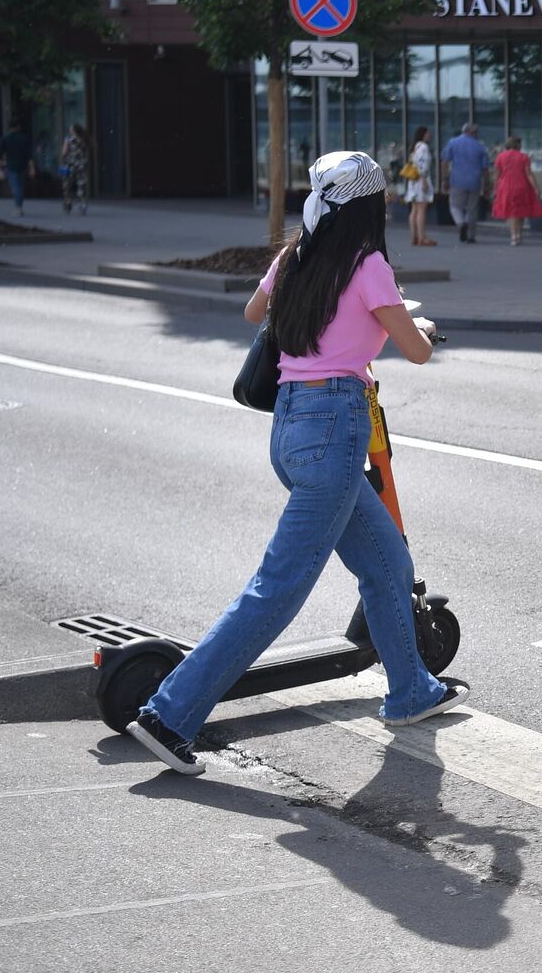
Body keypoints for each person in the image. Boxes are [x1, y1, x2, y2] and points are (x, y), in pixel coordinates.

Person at [124, 151, 465, 775]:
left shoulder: (297, 256)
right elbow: (415, 350)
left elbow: (257, 315)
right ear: (370, 207)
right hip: (334, 427)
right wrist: (416, 325)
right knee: (277, 589)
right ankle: (167, 713)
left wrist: (330, 318)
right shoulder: (369, 266)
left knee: (387, 559)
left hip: (289, 427)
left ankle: (411, 689)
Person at [491, 135, 542, 246]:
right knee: (520, 211)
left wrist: (495, 188)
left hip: (505, 186)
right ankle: (519, 234)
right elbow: (529, 174)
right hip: (521, 186)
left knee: (511, 212)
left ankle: (513, 236)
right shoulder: (523, 157)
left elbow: (497, 174)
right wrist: (536, 188)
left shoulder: (500, 157)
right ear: (517, 145)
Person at [442, 122, 490, 243]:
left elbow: (445, 162)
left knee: (454, 206)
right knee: (472, 209)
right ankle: (471, 235)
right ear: (473, 133)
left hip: (457, 181)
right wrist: (487, 185)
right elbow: (485, 169)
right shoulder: (480, 146)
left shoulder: (453, 143)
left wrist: (445, 179)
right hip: (475, 181)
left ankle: (461, 223)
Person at [404, 126, 435, 246]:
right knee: (422, 208)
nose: (429, 135)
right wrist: (424, 180)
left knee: (414, 209)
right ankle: (422, 237)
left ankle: (414, 236)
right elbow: (422, 165)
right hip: (421, 179)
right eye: (428, 133)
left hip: (413, 180)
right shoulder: (423, 147)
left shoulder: (414, 147)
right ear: (423, 134)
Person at [0, 122, 35, 217]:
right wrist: (32, 168)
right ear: (18, 127)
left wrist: (0, 168)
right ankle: (19, 206)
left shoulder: (5, 138)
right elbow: (30, 156)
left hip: (11, 166)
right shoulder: (24, 138)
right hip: (23, 166)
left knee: (15, 187)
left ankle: (18, 208)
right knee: (20, 187)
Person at [60, 124, 90, 216]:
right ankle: (82, 204)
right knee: (81, 185)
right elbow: (86, 152)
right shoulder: (84, 139)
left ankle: (68, 204)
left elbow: (64, 152)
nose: (69, 130)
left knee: (67, 186)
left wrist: (64, 158)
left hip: (70, 165)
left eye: (70, 129)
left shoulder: (68, 139)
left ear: (73, 130)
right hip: (81, 165)